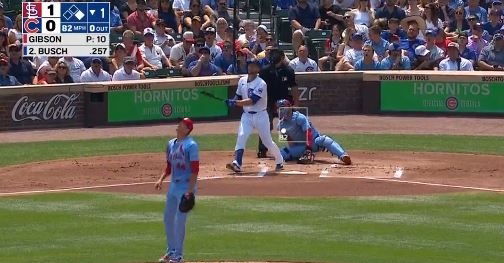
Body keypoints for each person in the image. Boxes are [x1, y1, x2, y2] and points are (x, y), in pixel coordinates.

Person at [225, 60, 285, 173]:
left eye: (253, 66)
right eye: (249, 65)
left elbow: (252, 101)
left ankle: (279, 160)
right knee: (242, 136)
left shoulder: (261, 83)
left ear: (258, 69)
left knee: (267, 141)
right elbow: (238, 95)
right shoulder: (242, 80)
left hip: (261, 115)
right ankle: (237, 163)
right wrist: (232, 101)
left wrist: (236, 103)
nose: (250, 67)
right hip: (247, 116)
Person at [155, 118, 199, 263]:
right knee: (168, 219)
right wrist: (161, 179)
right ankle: (171, 251)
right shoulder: (170, 144)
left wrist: (190, 191)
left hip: (185, 186)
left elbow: (194, 170)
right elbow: (169, 166)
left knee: (180, 221)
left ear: (187, 129)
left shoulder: (191, 145)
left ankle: (178, 255)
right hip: (173, 185)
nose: (179, 125)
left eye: (182, 124)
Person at [276, 99, 351, 165]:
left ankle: (343, 156)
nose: (279, 111)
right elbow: (289, 141)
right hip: (301, 147)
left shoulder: (299, 117)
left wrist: (308, 148)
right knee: (282, 153)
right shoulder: (281, 125)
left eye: (281, 108)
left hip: (313, 143)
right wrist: (295, 152)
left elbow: (308, 132)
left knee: (325, 139)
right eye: (278, 109)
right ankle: (299, 156)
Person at [257, 49, 298, 158]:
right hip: (268, 103)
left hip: (284, 103)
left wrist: (296, 102)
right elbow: (260, 88)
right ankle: (263, 149)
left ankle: (289, 149)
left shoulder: (288, 70)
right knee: (266, 126)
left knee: (285, 127)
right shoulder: (265, 71)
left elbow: (293, 86)